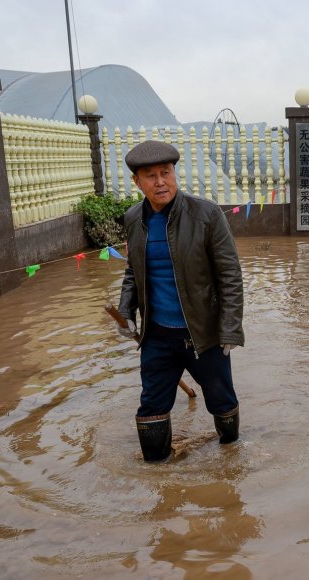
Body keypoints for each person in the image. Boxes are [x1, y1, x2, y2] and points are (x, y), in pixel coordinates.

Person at [116, 140, 244, 462]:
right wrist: (125, 309)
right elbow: (133, 270)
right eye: (150, 176)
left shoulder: (206, 214)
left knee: (221, 401)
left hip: (202, 334)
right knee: (151, 408)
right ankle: (158, 485)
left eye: (166, 172)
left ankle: (231, 462)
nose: (160, 182)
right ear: (137, 182)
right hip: (157, 336)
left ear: (175, 172)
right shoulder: (134, 219)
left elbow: (230, 275)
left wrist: (229, 330)